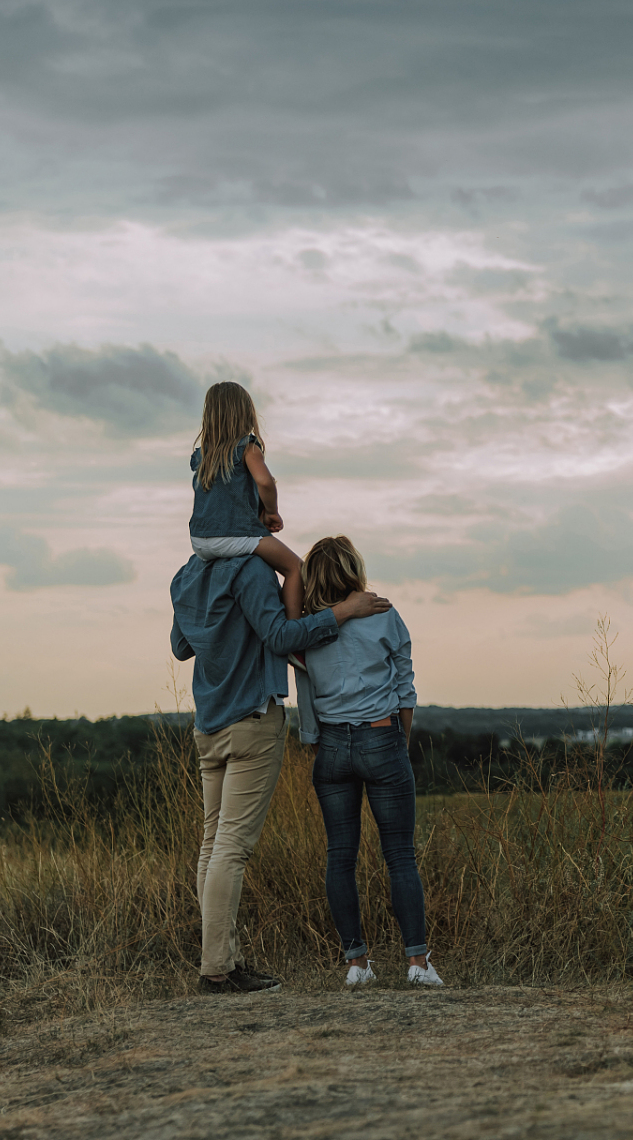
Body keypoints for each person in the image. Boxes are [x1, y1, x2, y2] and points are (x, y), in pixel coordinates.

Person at [170, 545, 392, 994]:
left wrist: (225, 632)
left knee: (213, 842)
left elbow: (180, 646)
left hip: (208, 724)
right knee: (231, 847)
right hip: (251, 718)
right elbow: (282, 638)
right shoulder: (251, 569)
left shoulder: (187, 574)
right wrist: (344, 611)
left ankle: (223, 960)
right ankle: (217, 969)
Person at [292, 535, 444, 988]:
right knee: (400, 855)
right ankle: (417, 965)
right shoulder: (384, 616)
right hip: (382, 738)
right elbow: (405, 687)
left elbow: (304, 695)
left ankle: (357, 966)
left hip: (332, 747)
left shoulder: (308, 627)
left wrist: (315, 740)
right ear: (354, 570)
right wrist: (400, 740)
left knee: (340, 857)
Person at [190, 381, 306, 620]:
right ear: (246, 413)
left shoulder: (202, 454)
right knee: (296, 568)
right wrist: (272, 512)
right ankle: (294, 629)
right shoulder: (248, 447)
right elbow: (264, 482)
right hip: (233, 534)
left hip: (200, 541)